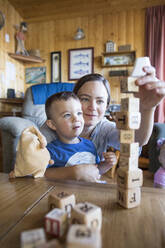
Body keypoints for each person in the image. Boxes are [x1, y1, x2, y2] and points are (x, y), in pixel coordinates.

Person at [44, 91, 117, 182]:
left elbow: (96, 171)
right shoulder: (50, 151)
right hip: (66, 194)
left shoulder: (89, 145)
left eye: (79, 113)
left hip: (91, 191)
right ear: (52, 124)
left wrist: (107, 164)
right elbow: (40, 174)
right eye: (67, 115)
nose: (76, 118)